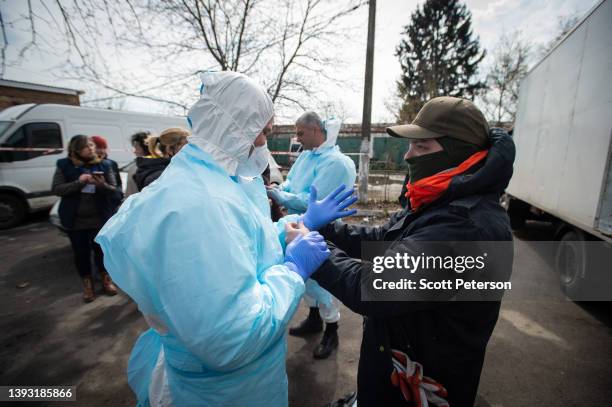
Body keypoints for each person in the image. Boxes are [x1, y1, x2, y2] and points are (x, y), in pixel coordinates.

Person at [95, 71, 355, 406]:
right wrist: (292, 271)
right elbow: (233, 338)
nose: (264, 142)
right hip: (226, 392)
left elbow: (243, 242)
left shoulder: (220, 178)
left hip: (244, 381)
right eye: (262, 132)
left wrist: (287, 229)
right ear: (234, 127)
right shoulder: (199, 204)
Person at [299, 97, 516, 406]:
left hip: (423, 385)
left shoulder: (469, 228)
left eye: (422, 147)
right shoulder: (439, 199)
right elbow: (384, 238)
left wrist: (316, 251)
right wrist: (326, 229)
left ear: (459, 154)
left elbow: (373, 287)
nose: (408, 156)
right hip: (396, 366)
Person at [267, 112, 357, 359]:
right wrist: (279, 188)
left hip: (322, 228)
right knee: (306, 277)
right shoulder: (307, 156)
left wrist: (279, 197)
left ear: (317, 131)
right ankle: (315, 319)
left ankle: (332, 330)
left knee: (325, 280)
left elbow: (314, 202)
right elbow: (292, 183)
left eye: (300, 132)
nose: (297, 138)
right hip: (297, 225)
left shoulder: (336, 163)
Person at [51, 135, 119, 302]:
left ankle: (106, 279)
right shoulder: (64, 165)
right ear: (75, 149)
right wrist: (79, 182)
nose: (90, 148)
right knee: (80, 253)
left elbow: (115, 190)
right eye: (85, 146)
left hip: (99, 218)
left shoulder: (105, 164)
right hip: (75, 220)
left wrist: (101, 185)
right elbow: (57, 189)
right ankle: (87, 285)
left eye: (91, 145)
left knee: (101, 251)